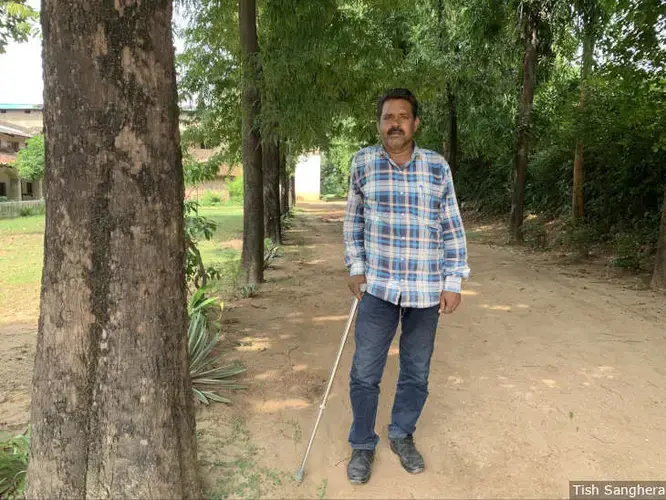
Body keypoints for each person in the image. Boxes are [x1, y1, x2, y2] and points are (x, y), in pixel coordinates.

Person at [342, 88, 470, 484]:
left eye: (402, 116)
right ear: (379, 124)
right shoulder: (362, 163)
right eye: (387, 117)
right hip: (378, 286)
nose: (394, 123)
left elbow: (451, 226)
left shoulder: (436, 167)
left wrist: (453, 280)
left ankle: (401, 434)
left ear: (415, 123)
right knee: (365, 371)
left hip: (426, 289)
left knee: (415, 371)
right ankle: (363, 443)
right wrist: (356, 267)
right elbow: (353, 221)